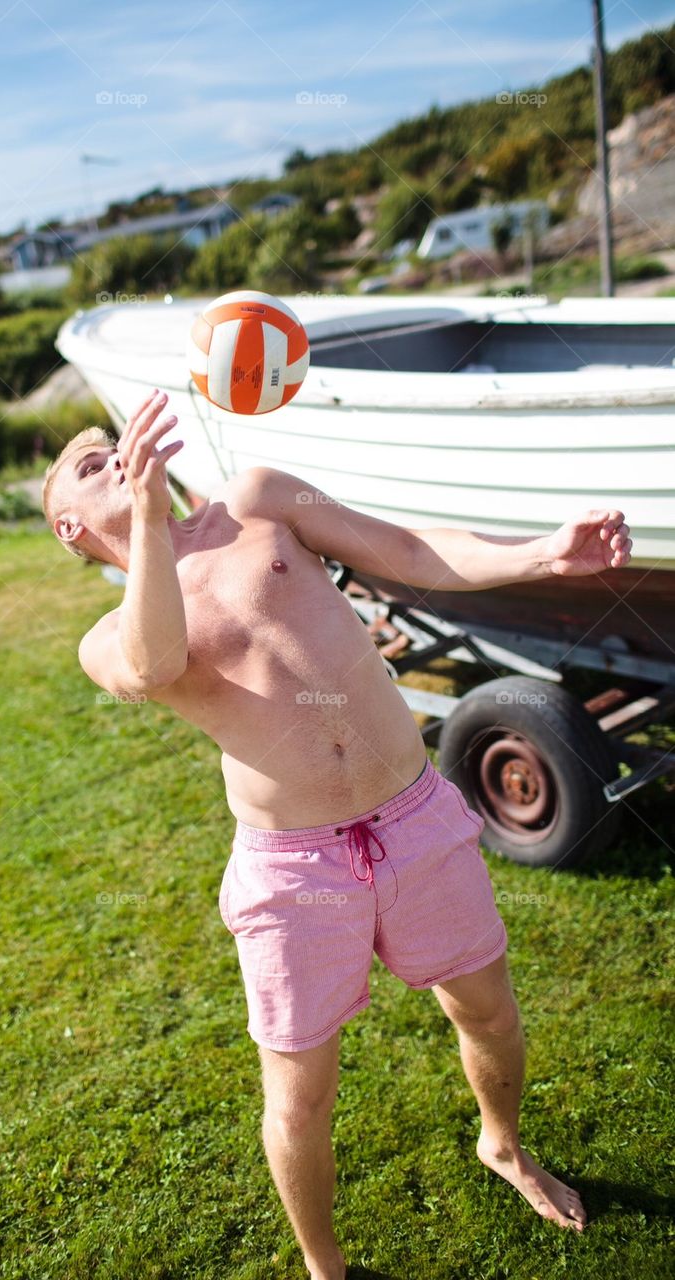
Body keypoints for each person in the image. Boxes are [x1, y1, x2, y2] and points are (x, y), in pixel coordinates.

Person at [42, 389, 633, 1280]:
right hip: (292, 872)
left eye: (113, 445)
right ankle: (327, 1269)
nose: (115, 461)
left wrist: (542, 554)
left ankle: (502, 1144)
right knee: (300, 1097)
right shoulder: (103, 638)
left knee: (489, 1015)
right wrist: (156, 524)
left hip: (414, 819)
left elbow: (402, 549)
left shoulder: (259, 501)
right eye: (92, 467)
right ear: (68, 529)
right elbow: (158, 660)